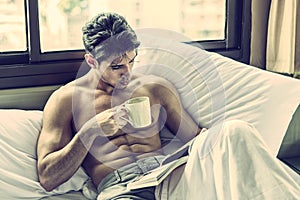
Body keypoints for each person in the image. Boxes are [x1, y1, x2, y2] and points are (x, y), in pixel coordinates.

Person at [37, 12, 300, 200]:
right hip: (121, 190)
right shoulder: (65, 100)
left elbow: (197, 140)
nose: (127, 72)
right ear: (91, 61)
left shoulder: (153, 87)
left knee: (235, 131)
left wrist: (223, 148)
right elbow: (48, 178)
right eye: (117, 66)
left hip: (170, 177)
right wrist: (90, 131)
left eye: (132, 61)